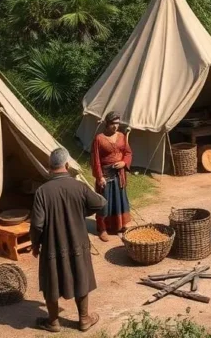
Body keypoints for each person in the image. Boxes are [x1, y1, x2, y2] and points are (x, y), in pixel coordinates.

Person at [31, 147, 105, 333]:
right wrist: (84, 211)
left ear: (50, 166)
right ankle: (83, 320)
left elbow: (37, 224)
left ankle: (53, 322)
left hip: (52, 245)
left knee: (51, 281)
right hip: (77, 242)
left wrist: (35, 244)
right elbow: (100, 203)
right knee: (80, 275)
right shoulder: (79, 187)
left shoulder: (42, 191)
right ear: (66, 164)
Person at [91, 111, 132, 242]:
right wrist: (99, 177)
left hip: (119, 174)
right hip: (106, 174)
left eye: (118, 123)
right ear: (107, 124)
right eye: (113, 123)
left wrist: (124, 162)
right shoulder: (99, 138)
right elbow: (95, 159)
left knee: (119, 199)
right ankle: (102, 228)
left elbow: (128, 152)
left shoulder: (121, 136)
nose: (116, 126)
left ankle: (120, 225)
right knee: (105, 201)